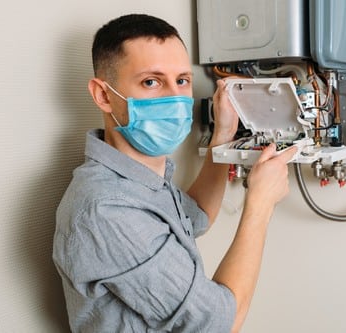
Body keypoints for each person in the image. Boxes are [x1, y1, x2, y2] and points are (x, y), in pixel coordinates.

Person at [52, 13, 297, 333]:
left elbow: (197, 216)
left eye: (181, 80)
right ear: (103, 95)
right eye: (151, 82)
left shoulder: (135, 178)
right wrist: (260, 206)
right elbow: (221, 324)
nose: (173, 97)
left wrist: (222, 136)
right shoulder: (107, 208)